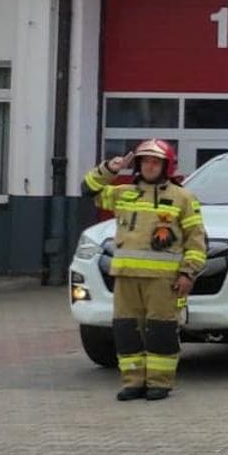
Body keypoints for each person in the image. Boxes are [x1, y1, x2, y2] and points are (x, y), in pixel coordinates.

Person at [83, 139, 208, 402]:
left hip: (163, 280)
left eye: (155, 162)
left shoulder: (183, 198)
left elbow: (196, 240)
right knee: (126, 331)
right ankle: (133, 382)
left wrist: (188, 273)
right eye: (145, 161)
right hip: (126, 276)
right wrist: (110, 168)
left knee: (161, 331)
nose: (150, 166)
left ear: (166, 166)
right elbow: (89, 190)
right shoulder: (124, 193)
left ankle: (160, 383)